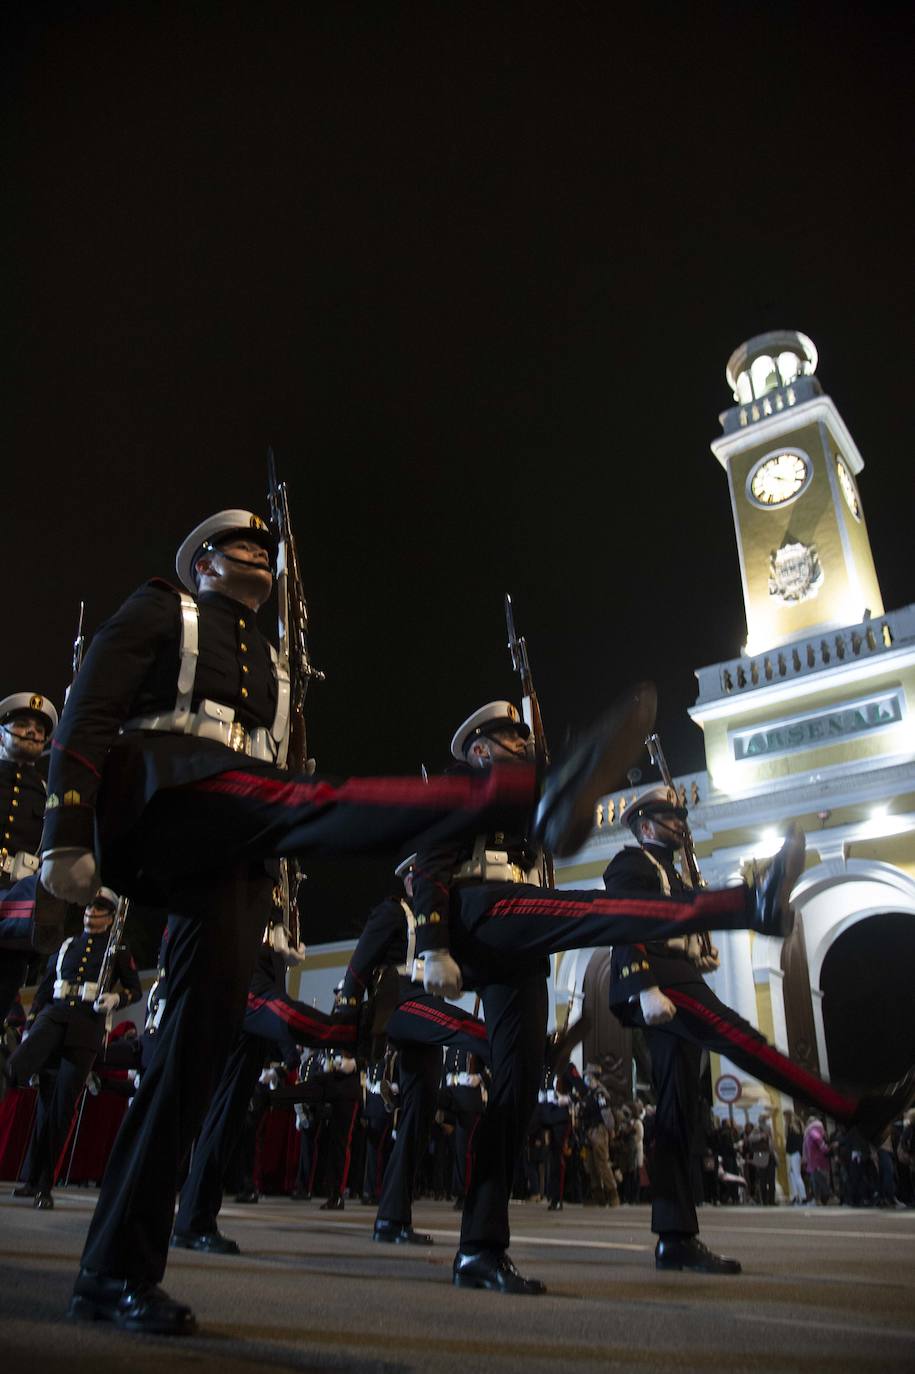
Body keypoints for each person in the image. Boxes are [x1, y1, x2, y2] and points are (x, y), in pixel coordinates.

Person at [40, 510, 639, 1335]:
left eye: (266, 547)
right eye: (240, 545)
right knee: (317, 802)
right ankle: (519, 791)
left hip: (238, 840)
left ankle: (113, 1272)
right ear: (201, 563)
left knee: (192, 1054)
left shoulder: (272, 664)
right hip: (166, 793)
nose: (259, 554)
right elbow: (90, 705)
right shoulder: (161, 609)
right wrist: (64, 827)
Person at [412, 701, 808, 1296]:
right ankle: (746, 902)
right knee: (602, 911)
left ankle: (479, 1249)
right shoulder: (461, 791)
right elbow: (429, 866)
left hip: (521, 941)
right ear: (480, 750)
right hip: (484, 914)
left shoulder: (522, 807)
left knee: (516, 1092)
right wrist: (432, 944)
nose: (525, 745)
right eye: (514, 738)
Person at [604, 785, 912, 1274]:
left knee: (679, 1109)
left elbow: (682, 919)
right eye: (669, 818)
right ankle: (852, 1110)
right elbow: (626, 921)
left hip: (678, 974)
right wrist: (643, 984)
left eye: (681, 817)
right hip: (660, 981)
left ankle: (674, 1236)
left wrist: (699, 951)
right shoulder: (631, 863)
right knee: (743, 1041)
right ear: (644, 826)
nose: (681, 825)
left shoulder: (675, 874)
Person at [330, 858, 490, 1244]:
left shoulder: (439, 924)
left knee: (418, 1116)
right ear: (407, 881)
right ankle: (502, 1042)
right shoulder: (393, 912)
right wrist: (345, 1019)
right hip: (400, 1004)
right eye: (422, 877)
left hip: (425, 1009)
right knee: (468, 1030)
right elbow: (359, 963)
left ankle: (392, 1218)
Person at [6, 888, 141, 1207]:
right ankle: (30, 1177)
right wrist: (29, 1027)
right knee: (39, 1099)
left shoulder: (117, 949)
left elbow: (134, 989)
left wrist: (117, 998)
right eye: (89, 907)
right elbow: (44, 990)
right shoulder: (67, 945)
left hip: (86, 1027)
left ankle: (43, 1184)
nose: (91, 912)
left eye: (99, 908)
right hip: (54, 1017)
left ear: (110, 917)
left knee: (61, 1107)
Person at [0, 692, 65, 1023]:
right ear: (2, 733)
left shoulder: (45, 790)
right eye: (22, 724)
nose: (32, 732)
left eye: (39, 730)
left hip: (15, 912)